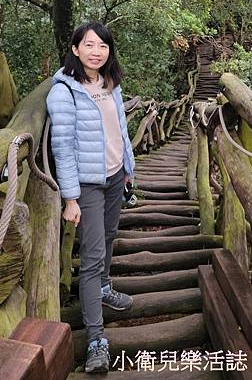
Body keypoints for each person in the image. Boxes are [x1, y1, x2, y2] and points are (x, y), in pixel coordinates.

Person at [47, 21, 135, 374]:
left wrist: (128, 168)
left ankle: (103, 287)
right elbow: (63, 149)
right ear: (75, 49)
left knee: (110, 235)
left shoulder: (110, 84)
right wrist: (70, 199)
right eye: (89, 45)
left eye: (102, 46)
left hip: (115, 177)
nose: (96, 51)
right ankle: (96, 339)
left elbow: (121, 131)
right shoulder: (63, 91)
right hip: (87, 185)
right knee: (94, 254)